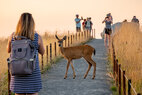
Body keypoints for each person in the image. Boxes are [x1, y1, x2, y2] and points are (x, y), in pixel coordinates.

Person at [7, 13, 45, 95]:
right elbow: (42, 52)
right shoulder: (36, 37)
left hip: (17, 73)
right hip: (32, 73)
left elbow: (8, 50)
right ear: (32, 23)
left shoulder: (13, 37)